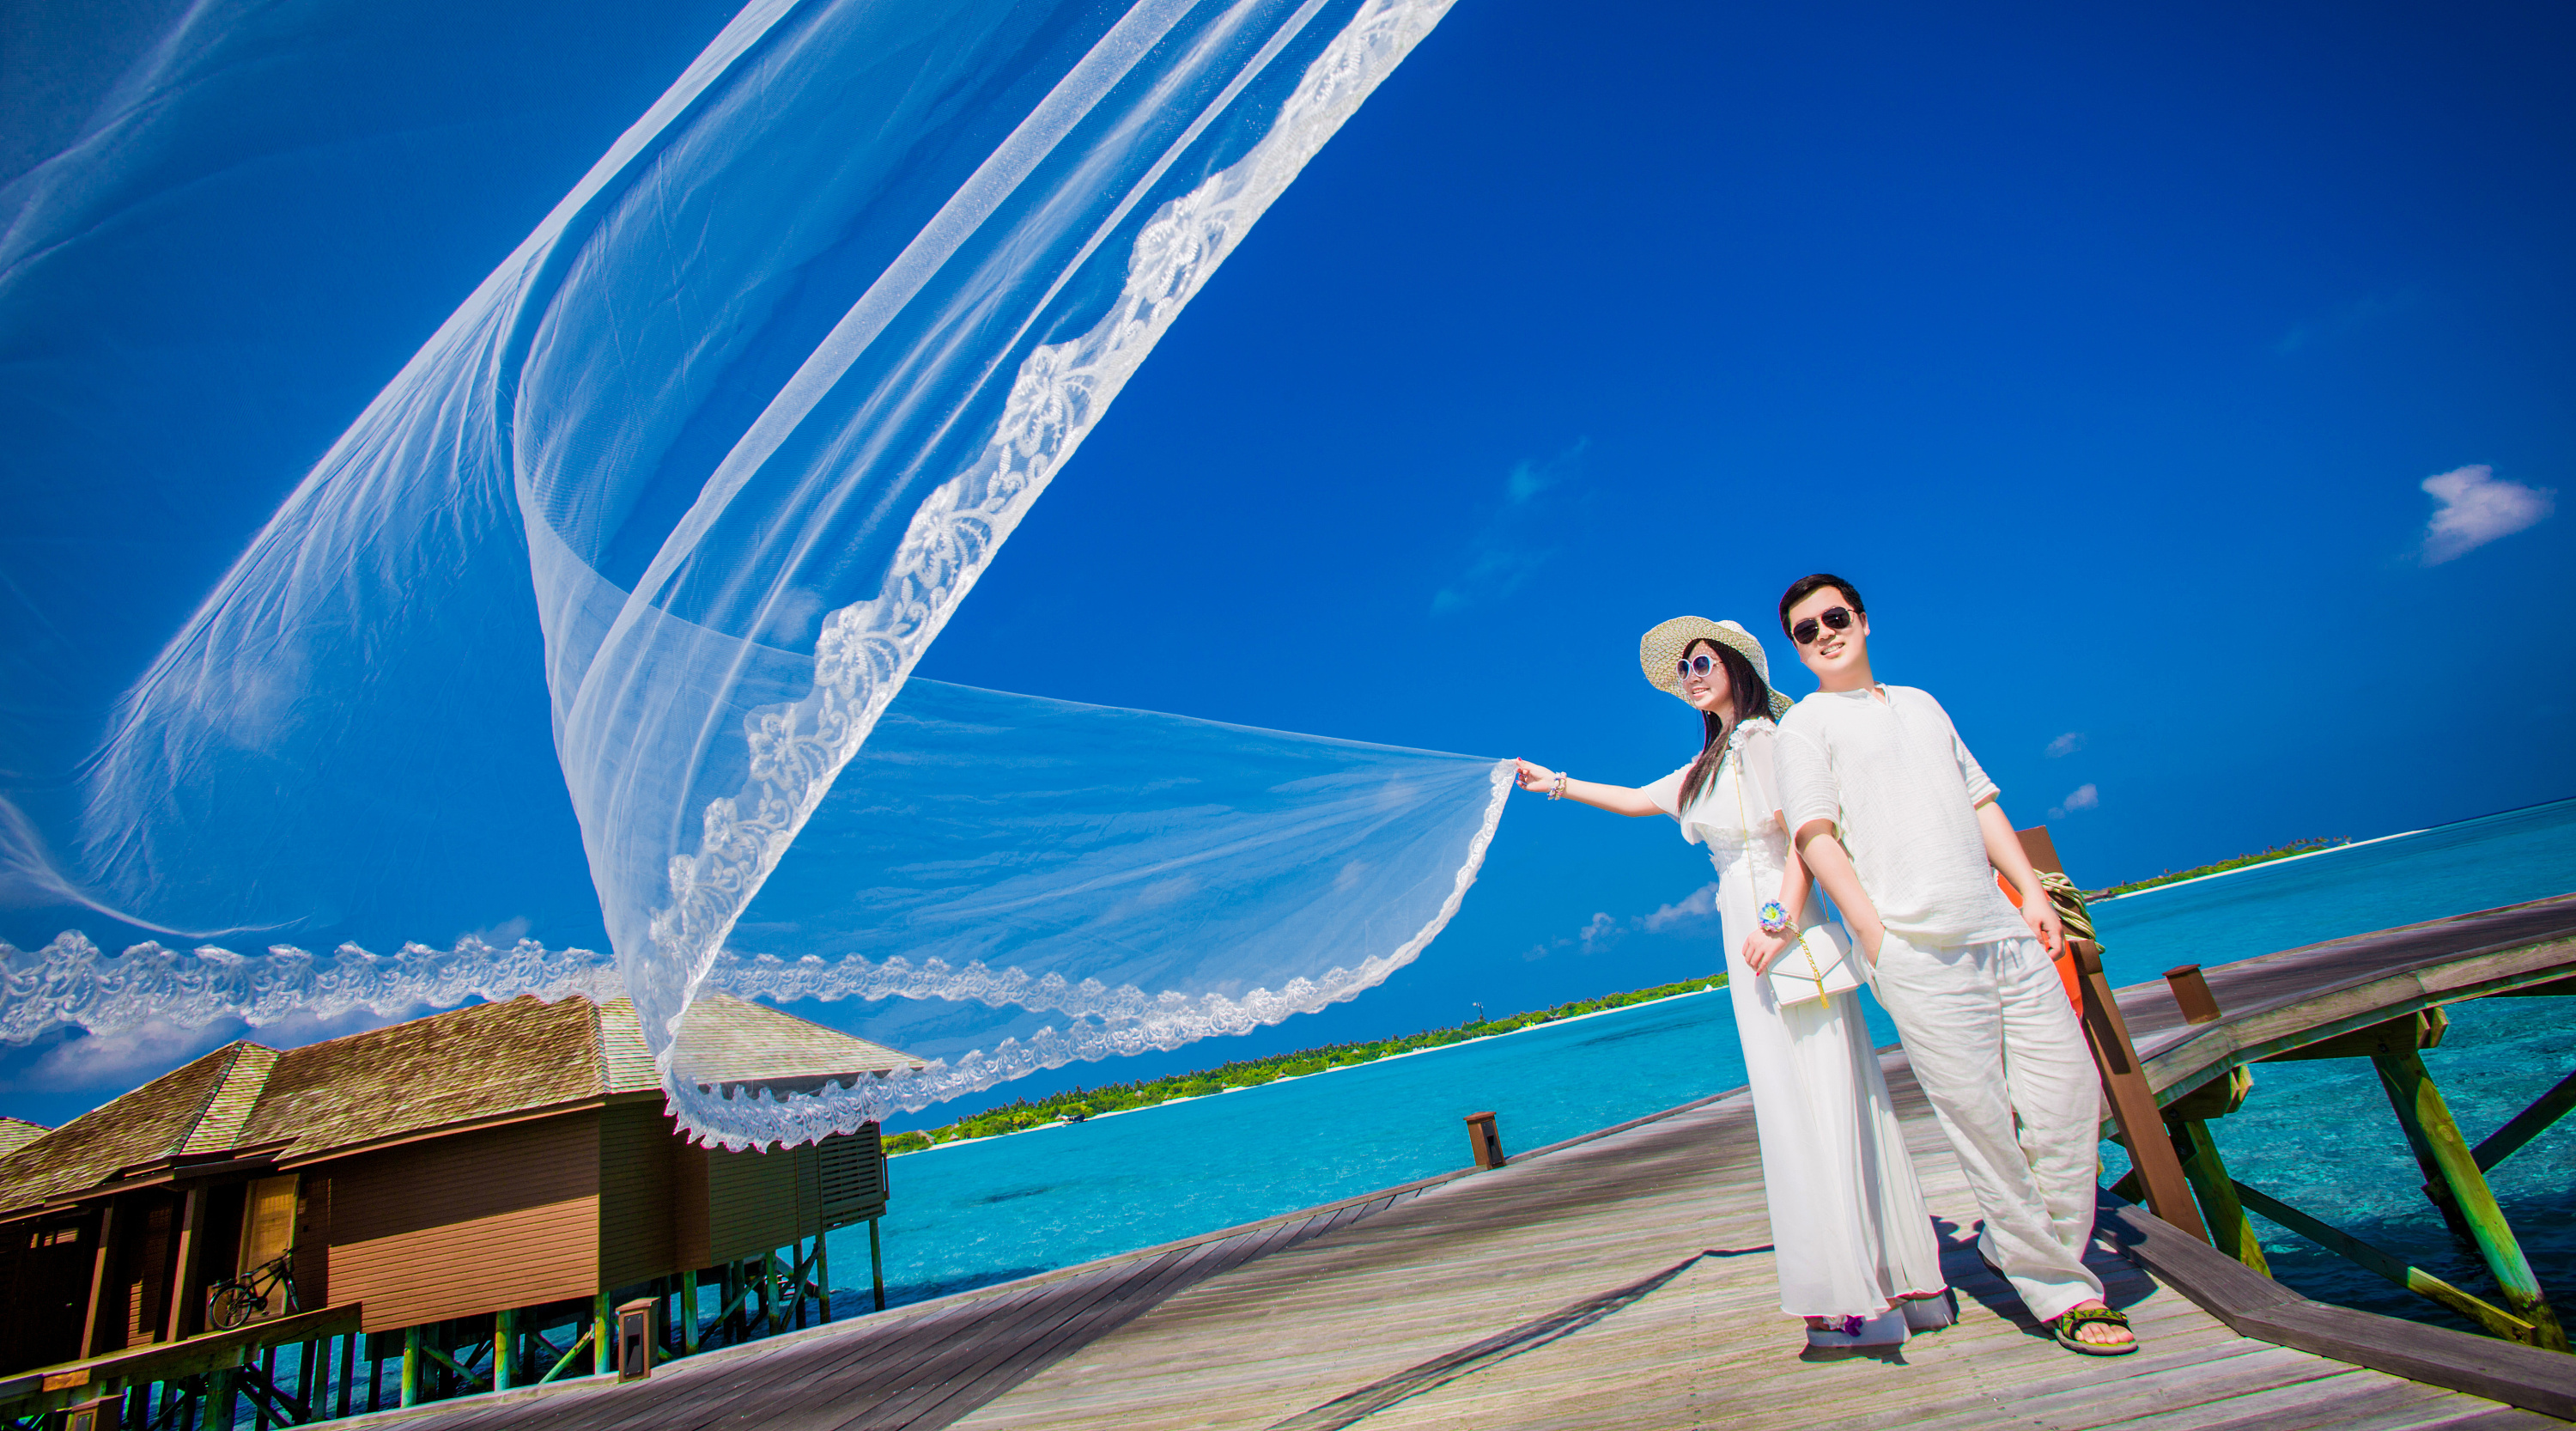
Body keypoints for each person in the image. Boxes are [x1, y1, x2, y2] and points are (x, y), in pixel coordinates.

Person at [1515, 617, 1952, 1351]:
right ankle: (1894, 1282)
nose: (1691, 673)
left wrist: (1777, 921)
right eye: (1683, 667)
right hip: (1752, 932)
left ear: (1739, 665)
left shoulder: (1768, 742)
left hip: (1782, 932)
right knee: (1808, 1097)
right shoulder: (1714, 759)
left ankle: (1861, 1295)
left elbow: (1810, 836)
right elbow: (1635, 799)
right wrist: (1552, 783)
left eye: (1703, 660)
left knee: (1820, 1098)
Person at [1768, 574, 2138, 1355]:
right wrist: (1874, 936)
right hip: (1916, 952)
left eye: (1835, 618)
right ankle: (2065, 1293)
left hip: (2002, 931)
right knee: (1984, 1129)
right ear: (1796, 650)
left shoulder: (1924, 703)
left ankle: (2031, 1248)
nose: (1825, 634)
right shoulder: (1805, 728)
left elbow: (1980, 801)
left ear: (1864, 621)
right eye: (1806, 630)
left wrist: (2031, 893)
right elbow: (1814, 834)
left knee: (2071, 1103)